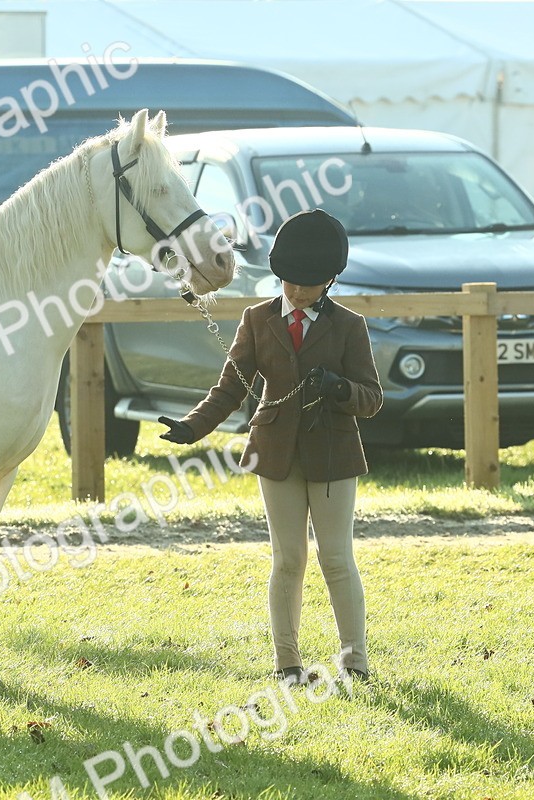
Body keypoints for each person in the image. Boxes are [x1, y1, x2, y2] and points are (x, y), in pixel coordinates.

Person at [158, 208, 383, 685]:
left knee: (336, 558)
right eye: (291, 283)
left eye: (310, 285)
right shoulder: (257, 319)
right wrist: (192, 427)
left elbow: (371, 398)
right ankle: (287, 662)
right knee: (288, 559)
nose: (298, 293)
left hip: (333, 454)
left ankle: (355, 662)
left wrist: (340, 388)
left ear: (330, 280)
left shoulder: (349, 326)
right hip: (274, 453)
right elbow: (230, 388)